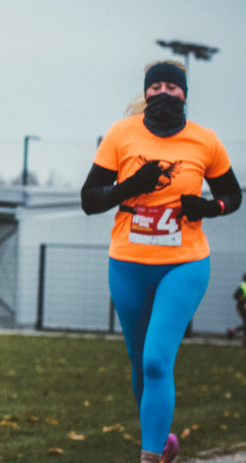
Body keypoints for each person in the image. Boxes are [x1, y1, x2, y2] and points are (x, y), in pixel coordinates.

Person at [80, 60, 241, 463]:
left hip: (184, 263)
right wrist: (132, 186)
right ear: (146, 92)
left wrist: (208, 207)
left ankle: (149, 458)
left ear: (184, 94)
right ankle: (162, 441)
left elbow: (233, 196)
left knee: (156, 359)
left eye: (173, 86)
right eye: (157, 87)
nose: (164, 93)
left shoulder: (205, 141)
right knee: (140, 362)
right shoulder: (121, 134)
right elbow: (89, 200)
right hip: (129, 264)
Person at [228, 273, 246, 344]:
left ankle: (234, 331)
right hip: (241, 307)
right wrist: (243, 298)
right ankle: (234, 331)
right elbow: (235, 296)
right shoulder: (243, 287)